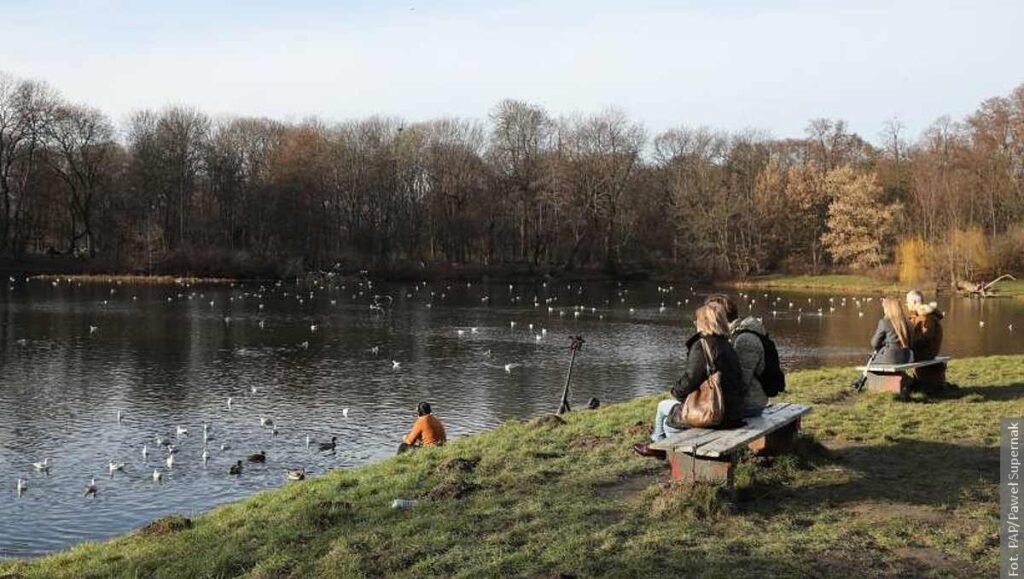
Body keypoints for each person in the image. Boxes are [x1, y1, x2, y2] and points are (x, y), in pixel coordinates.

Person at [633, 303, 746, 458]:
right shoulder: (728, 346)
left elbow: (690, 378)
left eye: (697, 320)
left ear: (704, 322)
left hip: (715, 415)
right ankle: (657, 445)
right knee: (671, 411)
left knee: (664, 411)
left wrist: (676, 392)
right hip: (733, 413)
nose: (695, 323)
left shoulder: (703, 345)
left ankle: (659, 445)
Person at [705, 294, 769, 417]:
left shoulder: (744, 340)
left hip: (749, 403)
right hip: (739, 401)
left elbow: (742, 381)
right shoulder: (731, 335)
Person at [870, 298, 914, 364]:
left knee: (871, 364)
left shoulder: (884, 322)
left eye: (885, 308)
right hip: (905, 357)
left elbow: (874, 343)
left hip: (890, 357)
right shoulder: (907, 322)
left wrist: (883, 344)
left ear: (888, 309)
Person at [906, 290, 944, 361]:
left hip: (924, 354)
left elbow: (925, 338)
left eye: (908, 302)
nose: (906, 304)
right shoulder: (917, 316)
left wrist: (907, 343)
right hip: (921, 352)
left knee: (894, 355)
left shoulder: (926, 317)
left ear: (914, 302)